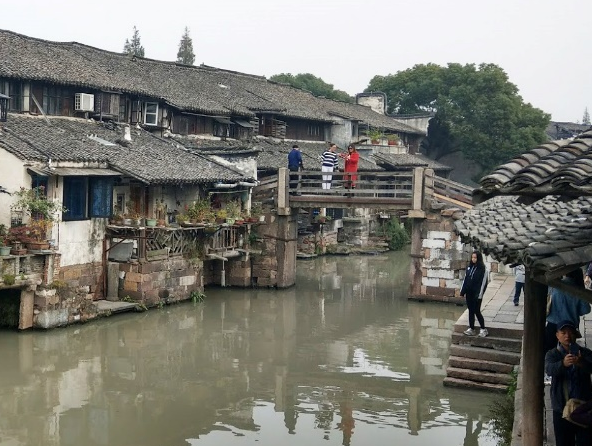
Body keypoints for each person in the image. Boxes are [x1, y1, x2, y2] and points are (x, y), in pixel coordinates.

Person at [544, 320, 592, 446]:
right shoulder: (552, 354)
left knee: (585, 441)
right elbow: (549, 369)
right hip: (561, 408)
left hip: (583, 407)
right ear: (557, 335)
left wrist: (581, 363)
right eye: (563, 332)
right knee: (563, 442)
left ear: (576, 334)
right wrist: (563, 364)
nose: (567, 336)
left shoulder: (585, 353)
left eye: (570, 332)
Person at [545, 269, 591, 354]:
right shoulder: (579, 291)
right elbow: (586, 310)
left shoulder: (554, 286)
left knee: (549, 351)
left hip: (552, 325)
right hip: (569, 328)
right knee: (567, 353)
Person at [460, 250, 489, 337]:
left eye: (475, 258)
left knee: (477, 311)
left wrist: (480, 295)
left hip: (477, 294)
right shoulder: (469, 267)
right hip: (469, 293)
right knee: (471, 311)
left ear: (478, 258)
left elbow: (483, 283)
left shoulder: (483, 269)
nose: (473, 259)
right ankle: (471, 328)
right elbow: (466, 280)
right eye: (472, 257)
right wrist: (462, 291)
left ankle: (483, 329)